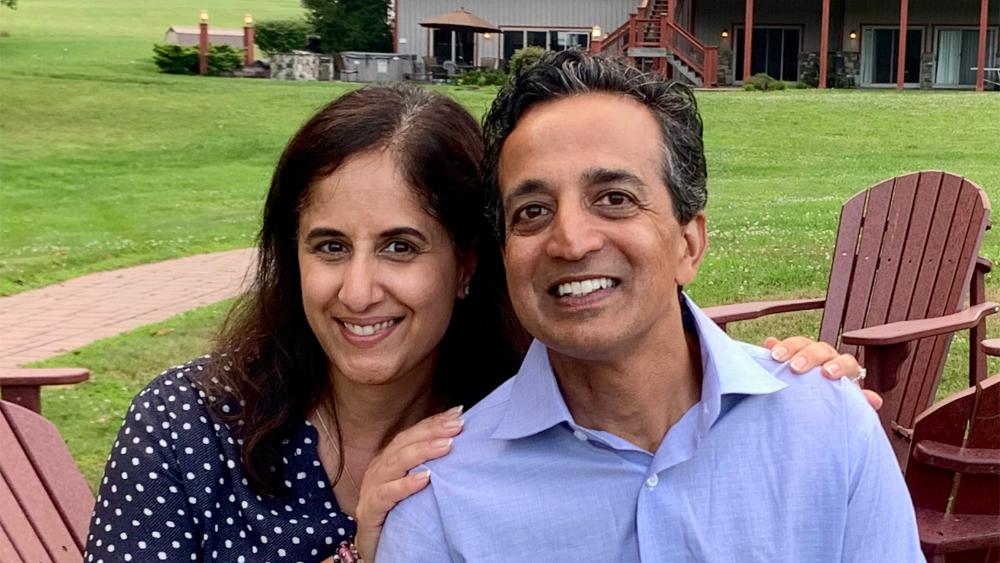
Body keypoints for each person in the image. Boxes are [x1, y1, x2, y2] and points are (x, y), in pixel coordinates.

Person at [83, 83, 864, 563]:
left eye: (400, 246)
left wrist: (795, 390)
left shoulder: (513, 423)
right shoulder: (191, 424)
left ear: (465, 265)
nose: (359, 290)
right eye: (328, 246)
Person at [376, 52, 920, 561]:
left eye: (615, 199)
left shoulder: (827, 428)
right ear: (506, 256)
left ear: (689, 245)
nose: (571, 241)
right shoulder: (441, 502)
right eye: (533, 210)